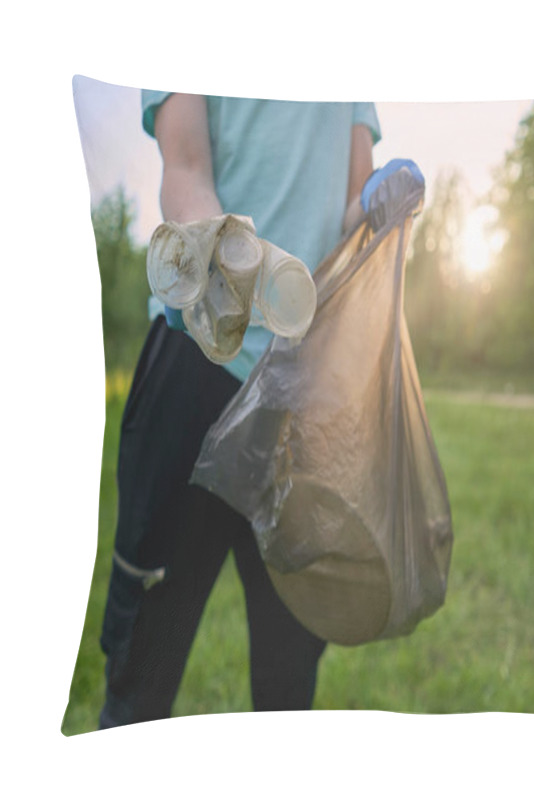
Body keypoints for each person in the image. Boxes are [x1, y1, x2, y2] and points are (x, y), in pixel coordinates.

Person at [98, 91, 381, 728]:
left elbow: (351, 208)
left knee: (288, 683)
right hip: (196, 366)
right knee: (142, 670)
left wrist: (380, 204)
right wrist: (218, 253)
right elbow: (186, 169)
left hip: (302, 397)